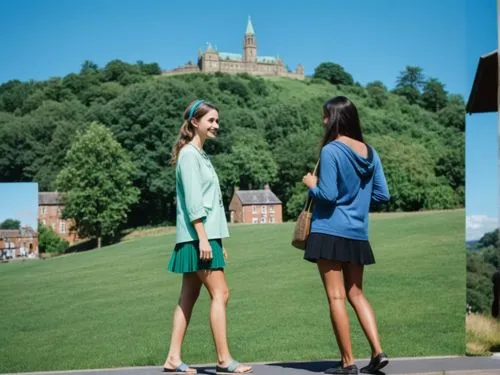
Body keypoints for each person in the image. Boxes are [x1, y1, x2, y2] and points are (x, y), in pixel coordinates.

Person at [302, 96, 391, 375]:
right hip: (357, 234)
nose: (323, 121)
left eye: (325, 116)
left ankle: (347, 363)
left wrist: (311, 184)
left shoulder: (331, 151)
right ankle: (378, 352)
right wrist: (357, 202)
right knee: (357, 294)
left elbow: (327, 195)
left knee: (337, 297)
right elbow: (382, 194)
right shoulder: (370, 153)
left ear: (337, 118)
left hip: (329, 230)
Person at [163, 99, 252, 374]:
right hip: (196, 236)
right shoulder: (190, 154)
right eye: (210, 120)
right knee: (221, 293)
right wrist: (204, 239)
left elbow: (210, 202)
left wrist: (217, 242)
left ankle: (173, 359)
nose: (216, 125)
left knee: (188, 296)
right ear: (194, 123)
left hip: (201, 236)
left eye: (217, 120)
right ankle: (224, 360)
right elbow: (193, 201)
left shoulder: (200, 155)